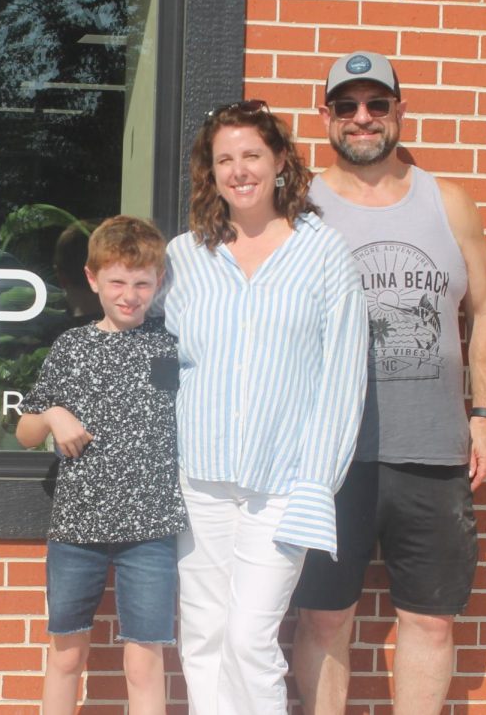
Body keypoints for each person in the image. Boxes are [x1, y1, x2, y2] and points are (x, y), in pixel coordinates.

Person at [291, 51, 486, 715]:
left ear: (398, 112)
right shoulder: (299, 208)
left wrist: (483, 413)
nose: (363, 118)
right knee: (324, 618)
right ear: (325, 116)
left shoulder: (448, 202)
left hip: (434, 454)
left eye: (376, 104)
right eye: (348, 106)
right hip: (329, 457)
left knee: (432, 621)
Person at [164, 100, 368, 715]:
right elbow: (144, 354)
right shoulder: (183, 258)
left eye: (252, 155)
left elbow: (344, 378)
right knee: (202, 635)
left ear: (280, 162)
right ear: (211, 172)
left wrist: (317, 481)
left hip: (284, 483)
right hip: (199, 477)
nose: (239, 170)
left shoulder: (325, 253)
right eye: (224, 159)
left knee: (251, 637)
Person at [16, 215, 187, 715]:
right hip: (76, 530)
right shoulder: (71, 347)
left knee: (145, 661)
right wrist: (52, 413)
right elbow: (25, 434)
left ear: (159, 283)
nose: (129, 294)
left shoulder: (170, 345)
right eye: (117, 282)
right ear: (93, 280)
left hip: (151, 528)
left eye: (142, 283)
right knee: (67, 655)